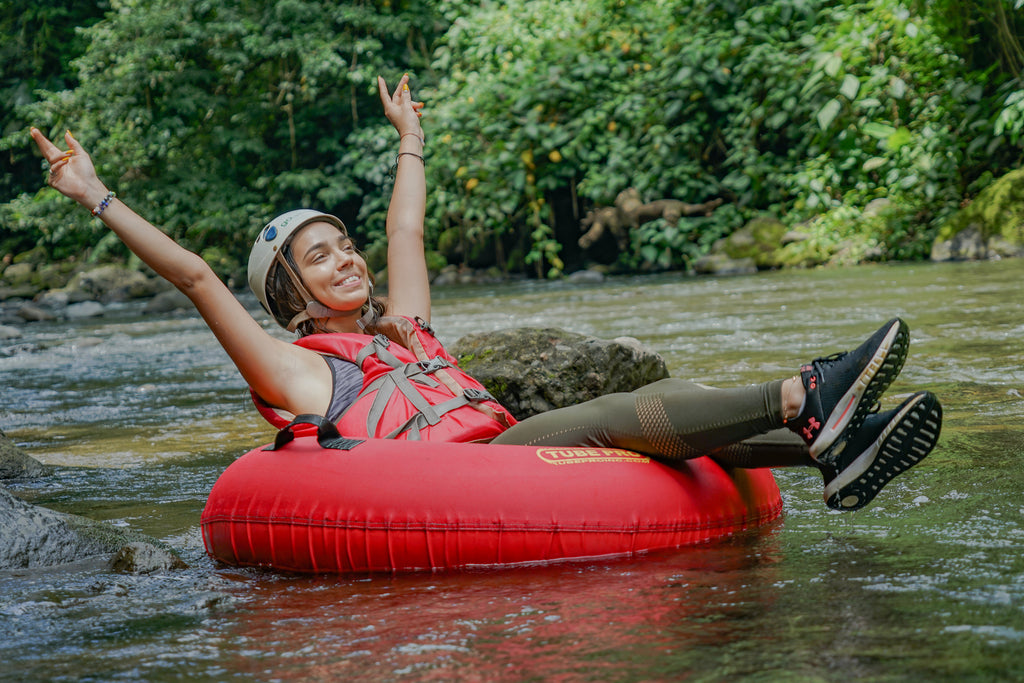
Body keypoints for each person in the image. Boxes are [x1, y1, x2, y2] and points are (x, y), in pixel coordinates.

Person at [30, 75, 941, 512]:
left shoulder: (408, 329)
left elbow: (406, 234)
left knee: (658, 444)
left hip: (505, 451)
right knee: (613, 410)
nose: (348, 260)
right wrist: (95, 193)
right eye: (321, 258)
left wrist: (411, 138)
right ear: (292, 295)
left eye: (344, 245)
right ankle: (806, 393)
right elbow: (193, 275)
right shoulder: (298, 369)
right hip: (478, 478)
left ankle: (833, 450)